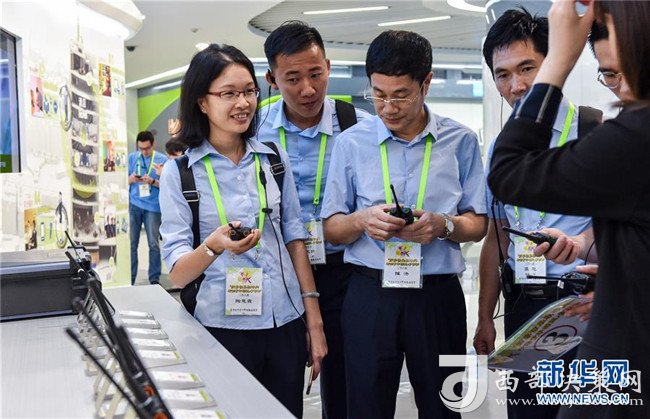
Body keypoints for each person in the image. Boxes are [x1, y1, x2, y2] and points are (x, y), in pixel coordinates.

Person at [488, 1, 650, 416]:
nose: (622, 89)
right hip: (539, 303)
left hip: (604, 327)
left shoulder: (621, 135)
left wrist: (561, 59)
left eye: (628, 71)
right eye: (609, 75)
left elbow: (508, 172)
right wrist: (608, 269)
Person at [321, 30, 487, 418]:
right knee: (365, 406)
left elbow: (478, 223)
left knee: (443, 406)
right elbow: (331, 228)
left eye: (401, 95)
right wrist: (362, 220)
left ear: (426, 83)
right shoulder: (351, 143)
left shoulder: (460, 141)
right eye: (378, 94)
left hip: (436, 297)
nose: (388, 107)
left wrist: (442, 225)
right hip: (369, 293)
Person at [158, 44, 327, 418]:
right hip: (221, 328)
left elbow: (294, 239)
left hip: (283, 321)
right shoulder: (180, 173)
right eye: (229, 93)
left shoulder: (273, 159)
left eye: (249, 91)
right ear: (202, 102)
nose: (243, 103)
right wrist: (213, 247)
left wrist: (314, 322)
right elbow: (178, 273)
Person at [473, 9, 595, 418]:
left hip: (582, 305)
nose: (517, 85)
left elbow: (620, 230)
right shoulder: (500, 149)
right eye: (503, 74)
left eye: (527, 68)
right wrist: (485, 317)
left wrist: (581, 244)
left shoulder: (592, 132)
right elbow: (498, 236)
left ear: (553, 62)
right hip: (523, 306)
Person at [256, 20, 370, 419]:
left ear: (329, 67)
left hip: (343, 269)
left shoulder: (358, 126)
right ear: (272, 79)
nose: (307, 89)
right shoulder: (254, 128)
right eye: (292, 79)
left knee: (344, 380)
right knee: (278, 380)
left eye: (316, 74)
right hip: (278, 273)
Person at [128, 130, 167, 285]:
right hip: (134, 205)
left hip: (153, 207)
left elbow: (167, 186)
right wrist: (131, 179)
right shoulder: (132, 158)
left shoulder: (162, 160)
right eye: (141, 148)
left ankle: (154, 279)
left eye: (147, 148)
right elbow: (123, 181)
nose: (144, 152)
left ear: (153, 145)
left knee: (153, 244)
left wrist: (152, 181)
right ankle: (130, 278)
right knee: (132, 244)